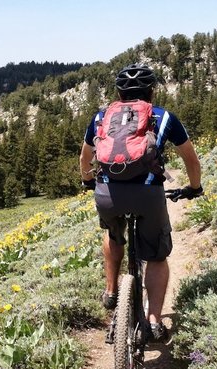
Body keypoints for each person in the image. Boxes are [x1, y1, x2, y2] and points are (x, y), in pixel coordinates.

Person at [79, 63, 202, 342]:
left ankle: (111, 292)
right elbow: (191, 160)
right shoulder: (163, 116)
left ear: (119, 92)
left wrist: (89, 181)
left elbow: (85, 158)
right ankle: (154, 320)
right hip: (148, 195)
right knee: (157, 255)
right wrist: (194, 188)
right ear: (151, 91)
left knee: (112, 233)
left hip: (107, 194)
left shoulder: (101, 117)